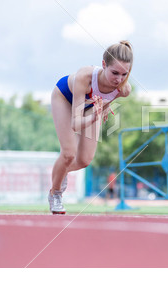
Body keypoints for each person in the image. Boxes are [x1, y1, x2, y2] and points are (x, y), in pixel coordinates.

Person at [49, 41, 133, 214]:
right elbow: (75, 124)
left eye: (124, 74)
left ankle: (60, 171)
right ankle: (55, 193)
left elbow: (108, 97)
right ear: (103, 65)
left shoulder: (123, 90)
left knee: (84, 160)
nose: (119, 79)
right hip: (65, 99)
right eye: (115, 73)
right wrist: (95, 116)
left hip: (90, 108)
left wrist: (106, 106)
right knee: (69, 154)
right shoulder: (85, 77)